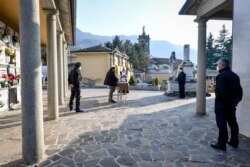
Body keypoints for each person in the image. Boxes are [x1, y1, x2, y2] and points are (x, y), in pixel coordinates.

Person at [210, 58, 243, 151]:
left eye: (218, 64)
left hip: (222, 105)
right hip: (232, 105)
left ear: (222, 65)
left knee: (222, 125)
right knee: (233, 123)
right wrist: (235, 101)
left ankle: (221, 144)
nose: (218, 66)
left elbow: (222, 92)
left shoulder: (221, 76)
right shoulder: (235, 76)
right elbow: (240, 91)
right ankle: (234, 142)